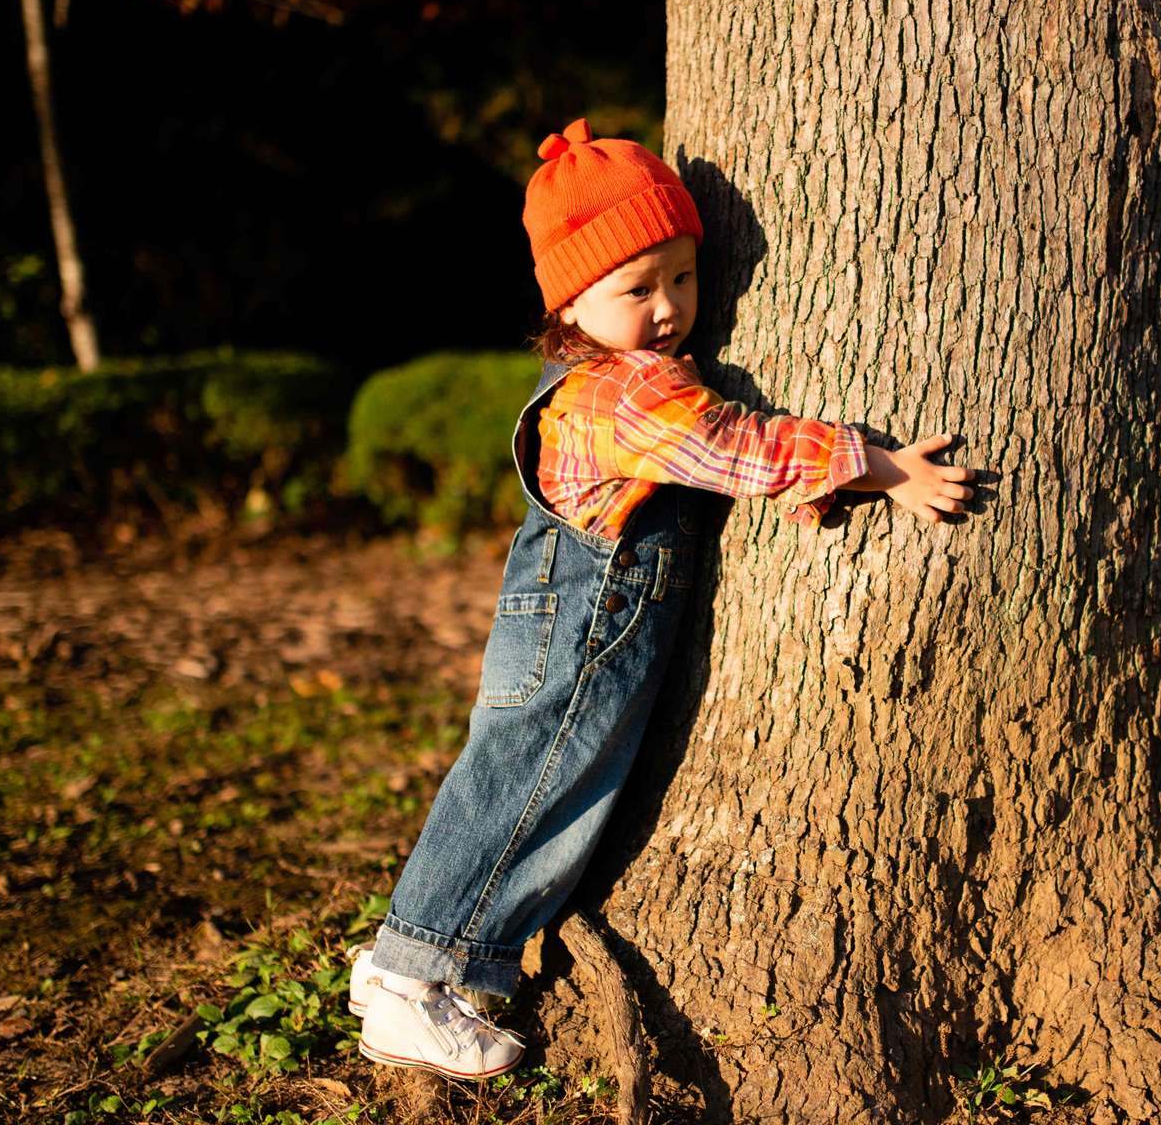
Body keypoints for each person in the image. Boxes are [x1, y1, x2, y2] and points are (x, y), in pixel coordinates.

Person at [347, 118, 977, 1079]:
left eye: (681, 276)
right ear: (571, 303)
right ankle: (411, 975)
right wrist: (874, 465)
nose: (670, 306)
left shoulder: (622, 381)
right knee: (530, 787)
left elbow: (703, 469)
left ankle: (409, 960)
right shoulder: (626, 396)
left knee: (532, 780)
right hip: (584, 627)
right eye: (634, 289)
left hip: (571, 616)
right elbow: (734, 447)